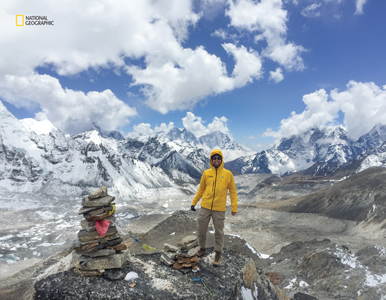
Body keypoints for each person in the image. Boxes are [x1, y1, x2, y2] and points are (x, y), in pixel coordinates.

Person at [190, 149, 238, 267]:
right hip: (205, 206)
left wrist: (234, 207)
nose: (216, 160)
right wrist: (194, 202)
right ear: (211, 160)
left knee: (219, 232)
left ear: (221, 160)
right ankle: (202, 248)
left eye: (218, 158)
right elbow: (201, 189)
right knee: (201, 229)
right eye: (214, 158)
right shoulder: (206, 173)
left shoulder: (228, 174)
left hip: (219, 208)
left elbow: (233, 192)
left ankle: (218, 254)